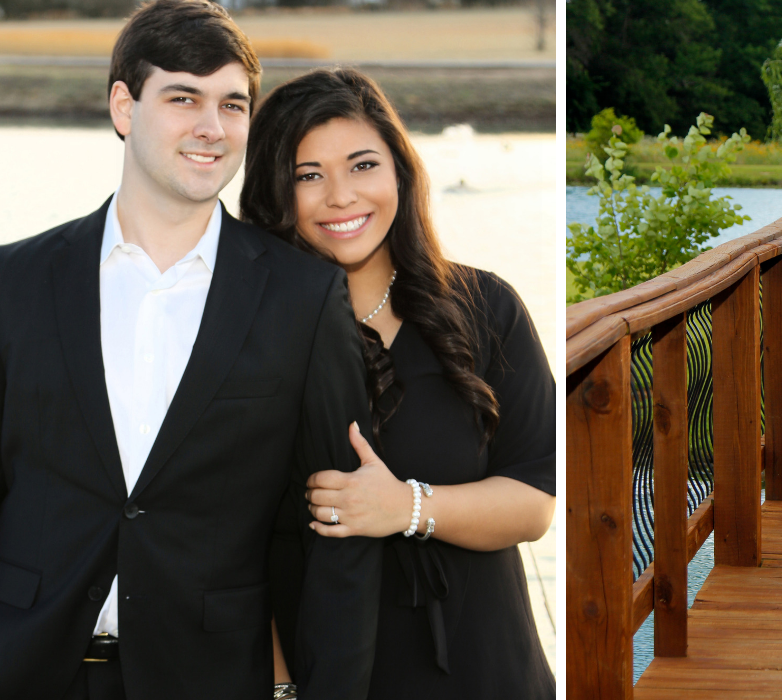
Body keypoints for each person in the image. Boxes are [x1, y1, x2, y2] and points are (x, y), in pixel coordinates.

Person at [0, 2, 383, 698]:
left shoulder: (302, 298)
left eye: (232, 104)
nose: (210, 127)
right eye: (183, 97)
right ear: (124, 108)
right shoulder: (17, 278)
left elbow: (335, 519)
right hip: (18, 670)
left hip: (209, 676)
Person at [238, 68, 557, 698]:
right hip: (331, 677)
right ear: (277, 192)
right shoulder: (250, 336)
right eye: (308, 176)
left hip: (486, 665)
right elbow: (227, 543)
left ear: (400, 172)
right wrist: (278, 688)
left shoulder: (486, 307)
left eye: (362, 165)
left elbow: (535, 499)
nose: (340, 196)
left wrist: (405, 508)